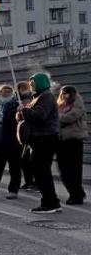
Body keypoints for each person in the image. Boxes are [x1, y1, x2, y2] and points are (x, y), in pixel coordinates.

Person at [18, 73, 61, 214]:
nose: (31, 86)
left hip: (45, 139)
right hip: (37, 139)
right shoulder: (36, 97)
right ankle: (50, 201)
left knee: (42, 172)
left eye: (33, 84)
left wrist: (25, 110)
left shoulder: (46, 97)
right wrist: (21, 113)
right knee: (40, 172)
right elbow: (30, 115)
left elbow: (40, 116)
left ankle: (50, 203)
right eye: (30, 84)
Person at [57, 85, 87, 205]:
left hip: (74, 141)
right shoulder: (60, 104)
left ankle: (76, 196)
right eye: (63, 93)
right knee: (63, 170)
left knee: (74, 170)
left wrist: (57, 116)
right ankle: (78, 192)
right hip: (61, 141)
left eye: (67, 93)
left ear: (73, 94)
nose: (64, 95)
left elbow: (70, 117)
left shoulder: (77, 103)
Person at [17, 81, 37, 192]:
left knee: (32, 160)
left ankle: (35, 182)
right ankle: (28, 181)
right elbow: (19, 119)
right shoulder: (18, 100)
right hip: (23, 134)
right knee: (24, 160)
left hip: (32, 133)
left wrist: (25, 109)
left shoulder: (32, 99)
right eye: (20, 88)